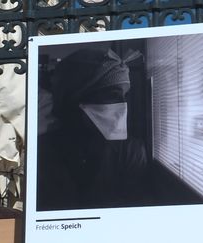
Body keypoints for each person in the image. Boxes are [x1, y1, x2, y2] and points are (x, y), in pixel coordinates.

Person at [37, 48, 149, 211]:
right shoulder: (44, 150)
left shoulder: (131, 150)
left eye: (123, 96)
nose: (120, 105)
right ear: (77, 100)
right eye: (111, 95)